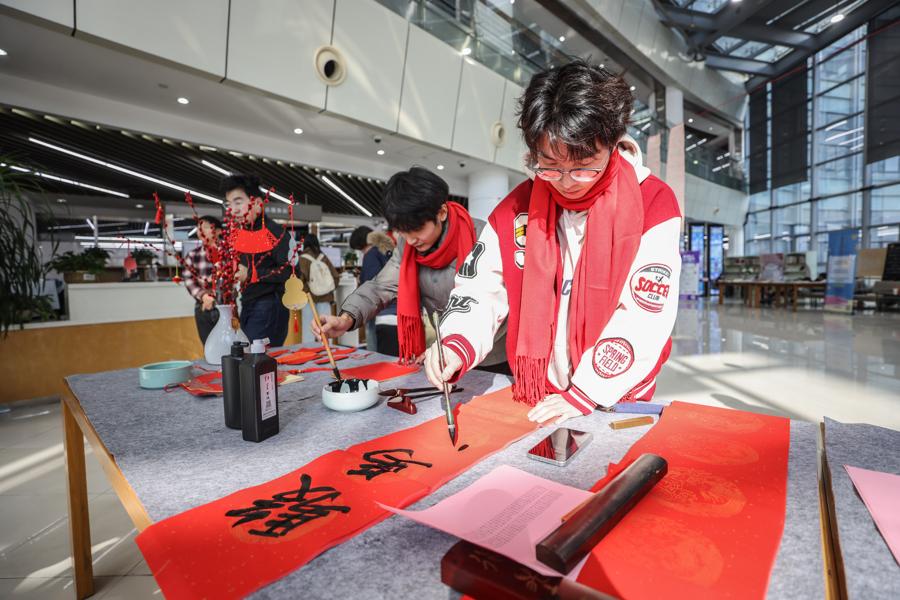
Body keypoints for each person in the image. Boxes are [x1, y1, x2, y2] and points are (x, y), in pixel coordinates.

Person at [424, 59, 682, 426]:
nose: (566, 181)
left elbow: (644, 314)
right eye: (549, 166)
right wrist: (455, 342)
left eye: (583, 166)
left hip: (613, 394)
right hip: (540, 391)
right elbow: (481, 288)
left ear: (613, 144)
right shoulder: (517, 207)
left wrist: (587, 391)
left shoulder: (652, 202)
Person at [313, 167, 508, 371]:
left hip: (494, 352)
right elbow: (381, 287)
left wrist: (457, 344)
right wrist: (346, 318)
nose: (411, 240)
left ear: (441, 213)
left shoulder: (482, 236)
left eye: (417, 229)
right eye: (402, 231)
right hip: (447, 351)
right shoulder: (407, 247)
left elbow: (499, 300)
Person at [222, 173, 292, 346]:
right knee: (249, 355)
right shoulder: (241, 233)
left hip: (269, 305)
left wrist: (251, 273)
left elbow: (290, 272)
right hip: (248, 303)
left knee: (256, 357)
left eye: (238, 202)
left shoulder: (275, 232)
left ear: (258, 204)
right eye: (228, 204)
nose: (233, 210)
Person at [348, 226, 396, 352]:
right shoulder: (385, 252)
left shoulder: (371, 255)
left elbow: (372, 283)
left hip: (377, 308)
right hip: (391, 307)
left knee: (374, 344)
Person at [182, 215, 222, 344]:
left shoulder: (229, 253)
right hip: (203, 306)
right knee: (208, 345)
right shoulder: (193, 255)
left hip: (226, 305)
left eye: (205, 227)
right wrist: (204, 296)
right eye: (198, 227)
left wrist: (216, 294)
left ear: (218, 231)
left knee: (230, 346)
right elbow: (188, 279)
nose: (200, 231)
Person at [298, 234, 340, 343]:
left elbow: (300, 281)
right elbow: (335, 277)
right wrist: (327, 290)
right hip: (325, 298)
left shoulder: (302, 258)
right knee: (326, 328)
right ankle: (327, 350)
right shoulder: (323, 257)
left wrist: (308, 291)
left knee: (309, 329)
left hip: (308, 299)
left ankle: (309, 350)